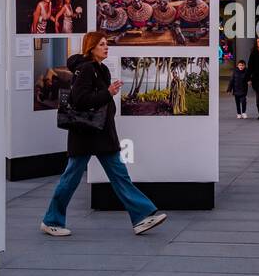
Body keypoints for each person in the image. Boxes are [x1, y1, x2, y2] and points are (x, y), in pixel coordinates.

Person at [40, 32, 168, 238]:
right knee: (72, 177)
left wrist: (108, 94)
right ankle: (51, 220)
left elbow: (97, 99)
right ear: (91, 47)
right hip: (85, 133)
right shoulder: (86, 69)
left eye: (106, 44)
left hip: (100, 132)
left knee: (119, 175)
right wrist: (108, 93)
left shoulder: (102, 69)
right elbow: (80, 100)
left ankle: (142, 216)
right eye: (101, 44)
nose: (106, 47)